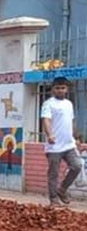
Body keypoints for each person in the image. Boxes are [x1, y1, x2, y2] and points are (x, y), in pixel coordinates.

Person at [41, 76, 82, 206]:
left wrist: (76, 138)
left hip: (68, 144)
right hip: (54, 146)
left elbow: (71, 121)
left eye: (63, 88)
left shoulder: (69, 104)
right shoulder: (48, 104)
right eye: (57, 88)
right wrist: (50, 135)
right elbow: (46, 120)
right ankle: (53, 200)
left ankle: (62, 189)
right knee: (53, 173)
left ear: (67, 89)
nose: (60, 90)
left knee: (77, 166)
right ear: (53, 89)